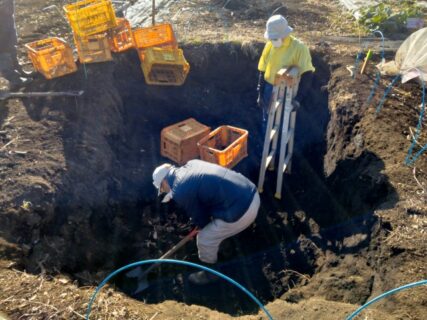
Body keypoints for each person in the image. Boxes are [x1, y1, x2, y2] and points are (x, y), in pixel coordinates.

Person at [152, 159, 260, 285]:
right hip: (251, 192)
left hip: (244, 212)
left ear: (164, 181)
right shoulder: (192, 163)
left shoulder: (179, 190)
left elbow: (202, 220)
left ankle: (211, 274)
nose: (164, 191)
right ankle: (225, 240)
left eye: (162, 188)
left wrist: (200, 226)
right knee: (212, 223)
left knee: (204, 239)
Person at [257, 15, 315, 111]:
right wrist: (260, 93)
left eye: (274, 38)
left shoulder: (299, 48)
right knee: (267, 119)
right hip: (269, 88)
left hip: (288, 93)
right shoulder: (269, 45)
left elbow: (307, 74)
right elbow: (262, 70)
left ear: (284, 34)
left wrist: (298, 99)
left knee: (283, 122)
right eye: (271, 38)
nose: (272, 41)